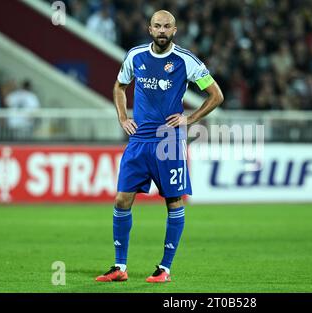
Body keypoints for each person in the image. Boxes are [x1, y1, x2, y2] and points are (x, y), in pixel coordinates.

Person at [96, 10, 224, 283]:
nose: (162, 30)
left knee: (173, 201)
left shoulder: (185, 61)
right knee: (121, 199)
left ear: (174, 30)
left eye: (167, 26)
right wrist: (122, 116)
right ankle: (120, 267)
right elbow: (119, 87)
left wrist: (190, 118)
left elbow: (216, 95)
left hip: (169, 141)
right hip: (139, 140)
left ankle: (164, 269)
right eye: (157, 26)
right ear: (150, 28)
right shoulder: (136, 56)